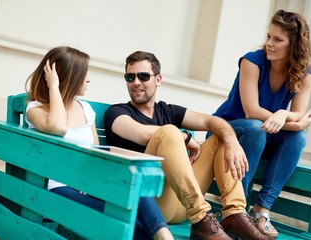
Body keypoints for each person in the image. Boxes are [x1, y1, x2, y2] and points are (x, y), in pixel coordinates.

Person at [104, 51, 273, 240]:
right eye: (130, 77)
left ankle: (235, 214)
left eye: (143, 76)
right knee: (168, 131)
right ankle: (201, 218)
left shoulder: (168, 111)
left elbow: (212, 121)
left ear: (158, 79)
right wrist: (184, 136)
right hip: (149, 205)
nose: (136, 82)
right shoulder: (116, 113)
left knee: (221, 137)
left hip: (182, 202)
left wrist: (232, 141)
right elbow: (143, 134)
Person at [24, 46, 174, 240]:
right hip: (59, 188)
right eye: (84, 73)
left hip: (91, 185)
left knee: (135, 187)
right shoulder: (36, 109)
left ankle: (163, 233)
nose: (88, 79)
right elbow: (59, 127)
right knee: (129, 225)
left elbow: (98, 153)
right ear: (68, 77)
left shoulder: (85, 109)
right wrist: (54, 87)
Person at [208, 9, 311, 238]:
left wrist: (283, 115)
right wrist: (291, 121)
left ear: (294, 45)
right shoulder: (252, 61)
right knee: (257, 128)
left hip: (262, 136)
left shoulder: (305, 75)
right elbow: (251, 111)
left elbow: (297, 115)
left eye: (278, 39)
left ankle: (262, 209)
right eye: (268, 37)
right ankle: (238, 209)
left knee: (298, 138)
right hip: (229, 131)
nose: (269, 44)